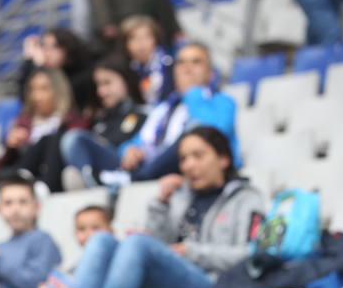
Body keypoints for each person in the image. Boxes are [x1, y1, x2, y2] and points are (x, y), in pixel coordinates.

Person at [56, 126, 265, 288]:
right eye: (183, 159)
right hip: (168, 281)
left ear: (223, 159)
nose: (189, 165)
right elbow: (158, 246)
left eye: (198, 156)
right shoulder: (181, 197)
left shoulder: (246, 198)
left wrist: (191, 251)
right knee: (102, 239)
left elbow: (252, 254)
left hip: (211, 284)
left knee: (137, 243)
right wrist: (161, 205)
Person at [61, 43, 238, 188]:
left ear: (211, 73)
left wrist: (192, 92)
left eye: (196, 62)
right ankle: (95, 184)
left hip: (181, 166)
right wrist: (130, 150)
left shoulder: (222, 101)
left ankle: (131, 180)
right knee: (74, 139)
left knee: (194, 132)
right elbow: (140, 140)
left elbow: (212, 134)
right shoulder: (163, 107)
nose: (187, 68)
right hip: (145, 163)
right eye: (181, 62)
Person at [60, 56, 146, 191]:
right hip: (104, 168)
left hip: (126, 168)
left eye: (107, 83)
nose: (101, 92)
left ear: (126, 80)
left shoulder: (143, 113)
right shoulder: (100, 119)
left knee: (74, 138)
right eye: (98, 85)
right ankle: (91, 180)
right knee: (70, 170)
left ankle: (92, 184)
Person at [0, 68, 88, 193]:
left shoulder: (73, 121)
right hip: (20, 174)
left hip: (55, 179)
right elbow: (5, 165)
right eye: (33, 89)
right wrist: (11, 147)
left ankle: (42, 186)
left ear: (58, 91)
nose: (36, 96)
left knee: (52, 139)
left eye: (44, 89)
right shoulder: (22, 122)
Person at [33, 205, 113, 288]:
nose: (88, 234)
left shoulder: (115, 262)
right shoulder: (76, 267)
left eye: (96, 228)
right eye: (81, 229)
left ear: (110, 230)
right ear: (75, 234)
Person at [19, 28, 94, 113]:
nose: (47, 52)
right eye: (44, 46)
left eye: (54, 47)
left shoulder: (83, 75)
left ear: (68, 48)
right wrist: (29, 62)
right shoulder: (44, 71)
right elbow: (26, 98)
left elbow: (62, 99)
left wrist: (38, 67)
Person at [91, 0, 182, 50]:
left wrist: (174, 28)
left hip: (156, 24)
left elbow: (163, 2)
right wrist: (105, 23)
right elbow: (99, 1)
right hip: (122, 25)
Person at [120, 15, 173, 107]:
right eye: (134, 38)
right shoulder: (127, 70)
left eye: (146, 37)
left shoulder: (170, 64)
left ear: (155, 39)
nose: (141, 44)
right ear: (125, 44)